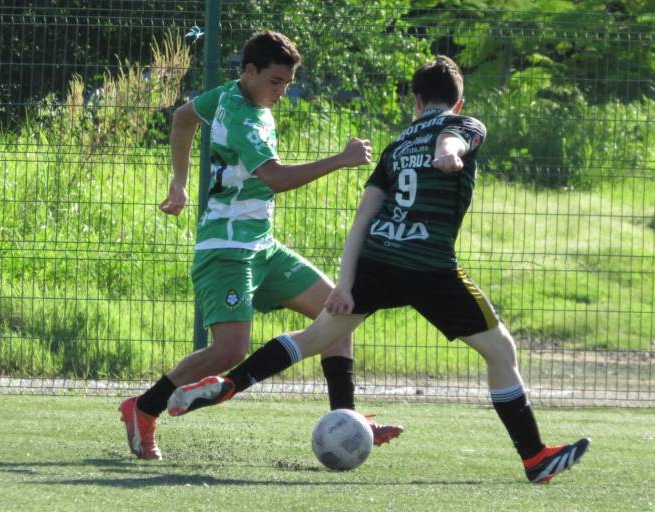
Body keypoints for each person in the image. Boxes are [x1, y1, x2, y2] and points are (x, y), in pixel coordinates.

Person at [164, 56, 591, 483]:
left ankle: (230, 384)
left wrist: (346, 284)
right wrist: (448, 154)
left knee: (314, 338)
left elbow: (363, 217)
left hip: (375, 260)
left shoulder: (399, 143)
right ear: (458, 103)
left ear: (416, 101)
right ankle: (535, 457)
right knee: (501, 351)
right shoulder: (466, 125)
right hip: (427, 266)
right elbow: (452, 141)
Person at [119, 30, 404, 461]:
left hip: (262, 246)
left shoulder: (230, 94)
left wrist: (178, 181)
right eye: (275, 82)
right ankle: (144, 407)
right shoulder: (242, 117)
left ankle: (346, 423)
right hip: (226, 249)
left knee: (337, 313)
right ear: (249, 71)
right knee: (229, 351)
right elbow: (276, 179)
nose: (282, 92)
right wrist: (341, 159)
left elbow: (181, 117)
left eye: (288, 83)